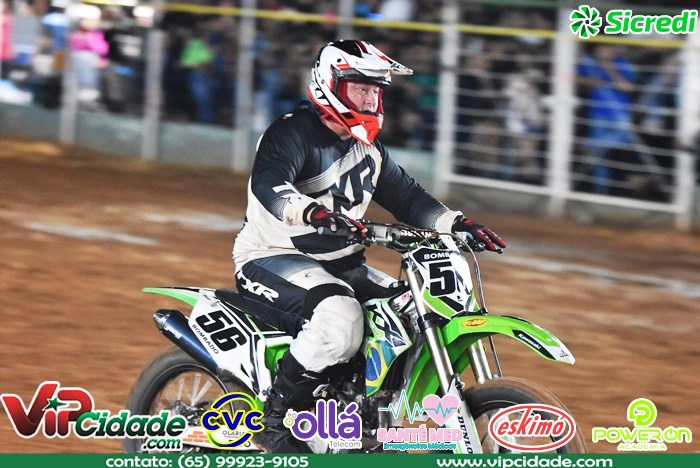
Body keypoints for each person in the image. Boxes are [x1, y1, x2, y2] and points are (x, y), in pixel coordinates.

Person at [232, 40, 506, 453]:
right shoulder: (290, 133)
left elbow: (409, 198)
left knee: (410, 312)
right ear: (330, 84)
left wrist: (459, 224)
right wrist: (313, 212)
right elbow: (271, 186)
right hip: (271, 258)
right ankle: (275, 421)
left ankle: (365, 412)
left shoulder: (369, 149)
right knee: (341, 317)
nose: (370, 99)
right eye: (360, 88)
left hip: (342, 266)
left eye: (375, 90)